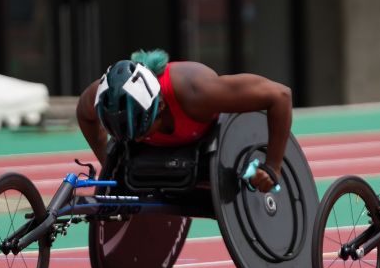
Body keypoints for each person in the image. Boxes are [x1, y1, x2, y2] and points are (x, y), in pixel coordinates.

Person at [76, 49, 292, 192]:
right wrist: (108, 165)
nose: (139, 140)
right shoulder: (105, 95)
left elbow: (280, 96)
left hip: (205, 139)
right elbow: (84, 114)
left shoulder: (199, 94)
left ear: (159, 106)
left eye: (143, 132)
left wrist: (272, 167)